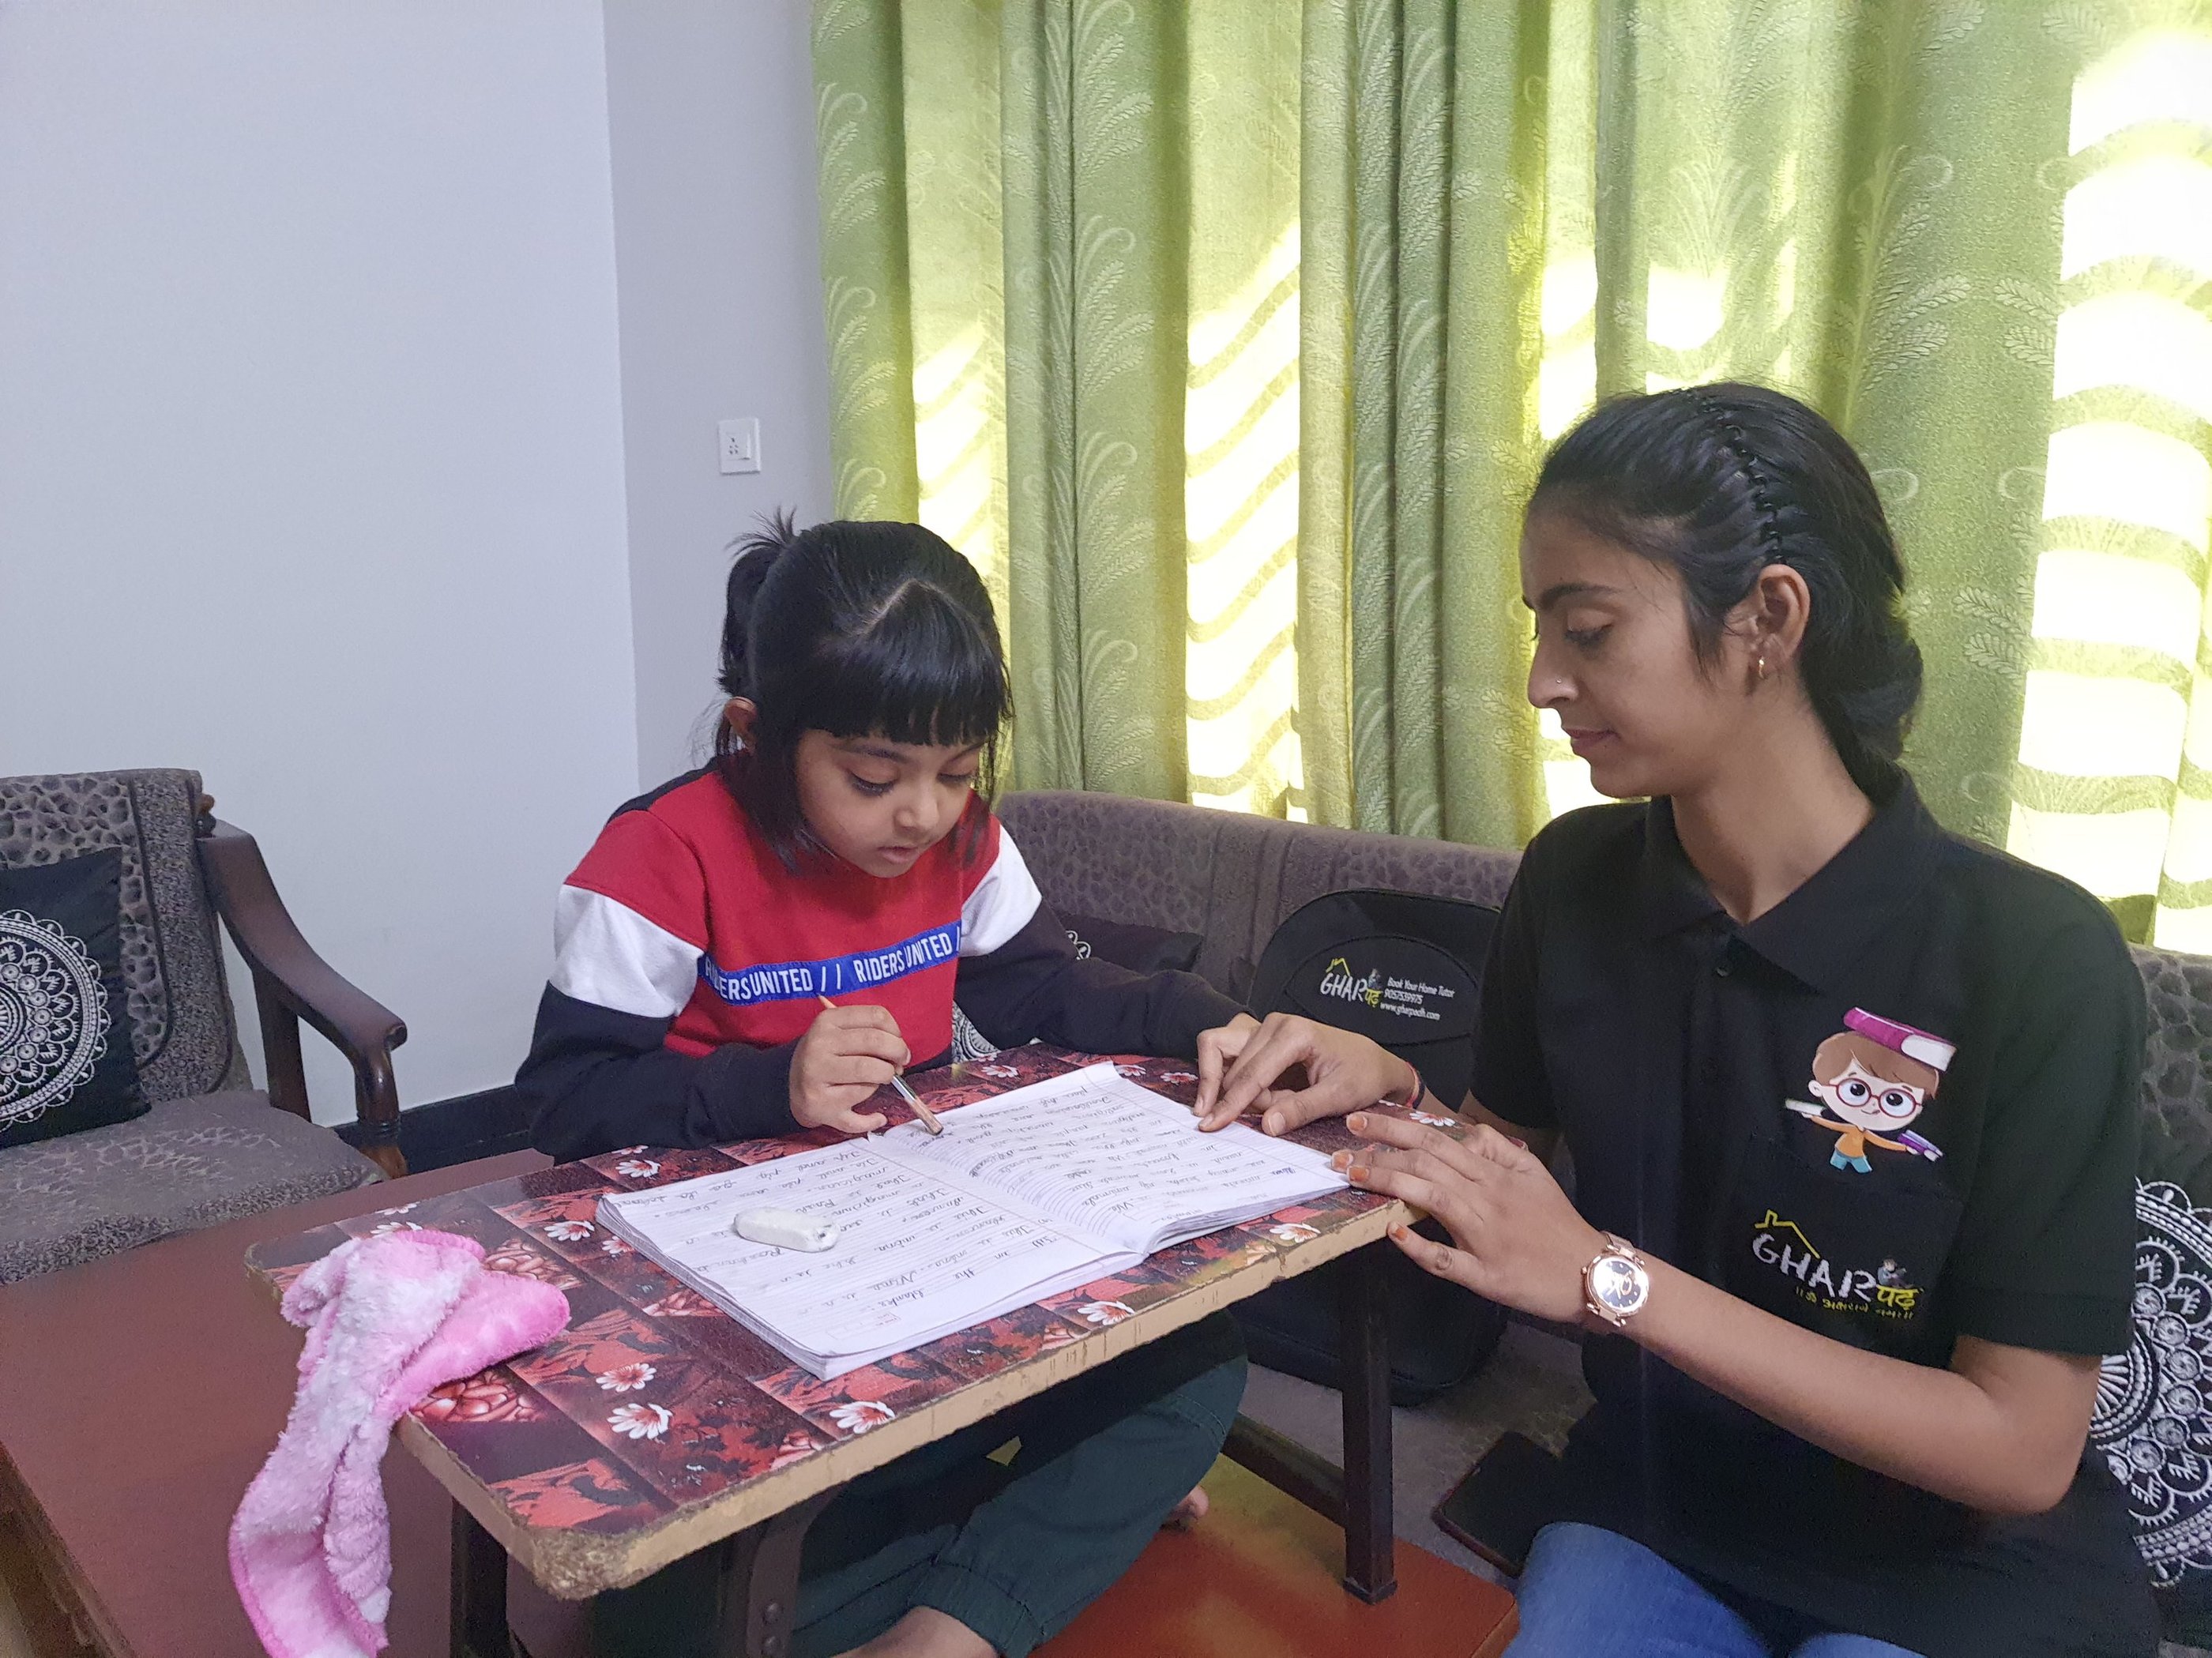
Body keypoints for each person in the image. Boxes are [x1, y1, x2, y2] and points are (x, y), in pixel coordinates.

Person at [1191, 385, 2157, 1658]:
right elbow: (1507, 1183)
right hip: (1660, 1513)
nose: (1543, 681)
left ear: (1767, 618)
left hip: (1959, 1577)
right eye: (1542, 630)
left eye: (1588, 630)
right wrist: (1381, 1102)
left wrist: (1614, 1283)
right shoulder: (1578, 881)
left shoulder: (2035, 962)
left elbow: (2022, 1447)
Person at [517, 514, 1257, 1658]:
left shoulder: (956, 839)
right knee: (654, 1623)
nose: (922, 815)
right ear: (756, 736)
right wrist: (771, 1086)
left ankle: (950, 1625)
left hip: (923, 1269)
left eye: (956, 773)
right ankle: (1033, 1534)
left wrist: (1213, 1020)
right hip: (736, 1295)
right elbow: (567, 1105)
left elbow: (1037, 992)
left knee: (1199, 1363)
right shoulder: (663, 853)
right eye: (874, 778)